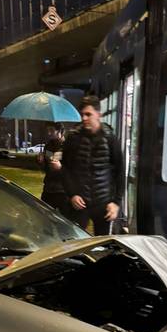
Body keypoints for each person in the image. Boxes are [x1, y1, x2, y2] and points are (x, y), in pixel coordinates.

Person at [61, 95, 123, 235]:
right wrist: (72, 194)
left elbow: (119, 171)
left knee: (103, 246)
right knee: (74, 243)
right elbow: (66, 170)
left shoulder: (110, 139)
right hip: (79, 203)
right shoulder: (73, 138)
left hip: (103, 203)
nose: (84, 118)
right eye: (82, 114)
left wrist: (116, 202)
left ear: (98, 115)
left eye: (88, 114)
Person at [39, 123, 69, 216]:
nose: (49, 133)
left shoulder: (68, 147)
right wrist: (41, 162)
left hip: (63, 191)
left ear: (60, 131)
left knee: (65, 221)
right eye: (48, 130)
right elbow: (47, 169)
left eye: (51, 130)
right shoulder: (48, 146)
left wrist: (60, 168)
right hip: (48, 189)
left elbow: (73, 170)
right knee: (44, 217)